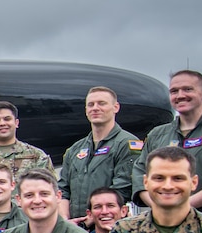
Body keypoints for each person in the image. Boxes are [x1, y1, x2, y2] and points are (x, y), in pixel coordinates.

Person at [135, 69, 202, 222]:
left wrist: (183, 206)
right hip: (165, 227)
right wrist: (159, 206)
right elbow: (139, 176)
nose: (180, 95)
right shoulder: (157, 135)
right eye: (174, 91)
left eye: (187, 89)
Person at [57, 86, 143, 222]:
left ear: (116, 107)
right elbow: (63, 190)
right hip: (75, 226)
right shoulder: (75, 149)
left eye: (102, 103)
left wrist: (95, 216)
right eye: (90, 105)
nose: (95, 108)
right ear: (86, 110)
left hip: (109, 225)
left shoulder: (127, 144)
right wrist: (65, 220)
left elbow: (123, 189)